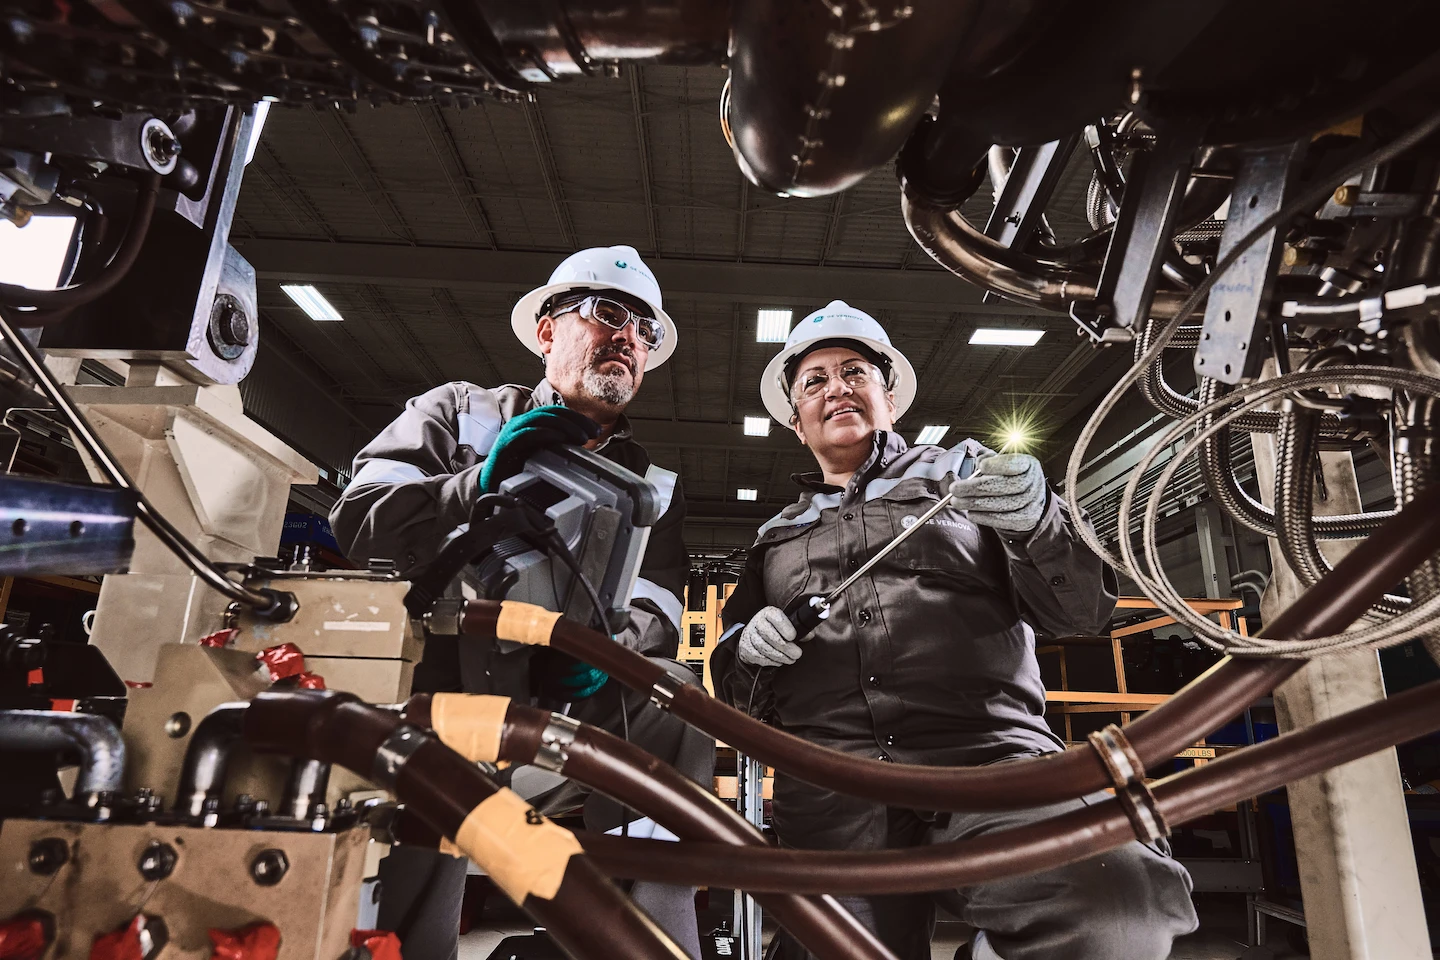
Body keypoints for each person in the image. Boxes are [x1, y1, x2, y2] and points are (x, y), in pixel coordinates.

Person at [710, 301, 1198, 960]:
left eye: (854, 371)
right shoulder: (773, 540)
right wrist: (746, 647)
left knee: (1118, 908)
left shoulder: (967, 477)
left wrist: (1038, 523)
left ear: (889, 394)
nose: (837, 389)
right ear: (796, 421)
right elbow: (734, 690)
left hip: (990, 762)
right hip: (831, 789)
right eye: (815, 381)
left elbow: (1080, 613)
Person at [331, 245, 712, 959]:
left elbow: (660, 605)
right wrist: (478, 482)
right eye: (609, 314)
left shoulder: (652, 484)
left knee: (675, 701)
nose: (629, 338)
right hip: (437, 715)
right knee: (406, 906)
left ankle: (645, 925)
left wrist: (600, 655)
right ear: (547, 330)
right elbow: (360, 522)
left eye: (645, 332)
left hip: (561, 719)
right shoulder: (458, 413)